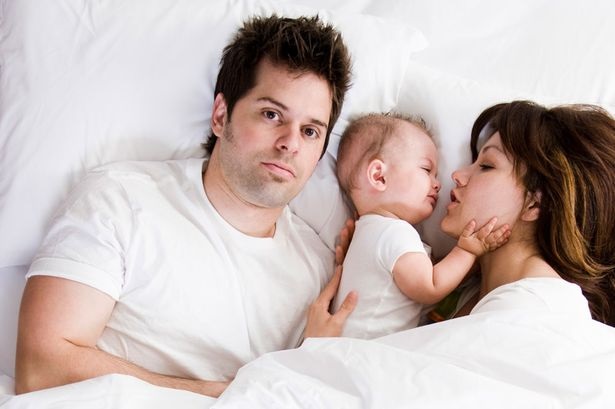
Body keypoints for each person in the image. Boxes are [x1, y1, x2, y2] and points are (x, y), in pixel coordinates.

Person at [14, 14, 357, 398]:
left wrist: (310, 359)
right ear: (220, 115)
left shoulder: (319, 270)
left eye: (310, 131)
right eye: (271, 114)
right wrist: (224, 395)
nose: (290, 143)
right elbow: (40, 366)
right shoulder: (121, 200)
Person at [332, 113, 510, 338]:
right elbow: (431, 286)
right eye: (426, 170)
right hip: (367, 348)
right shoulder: (394, 232)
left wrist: (472, 267)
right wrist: (467, 251)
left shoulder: (369, 231)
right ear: (379, 176)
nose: (438, 184)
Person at [438, 100, 615, 325]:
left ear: (534, 204)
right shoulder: (472, 290)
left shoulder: (536, 306)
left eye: (486, 166)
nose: (457, 175)